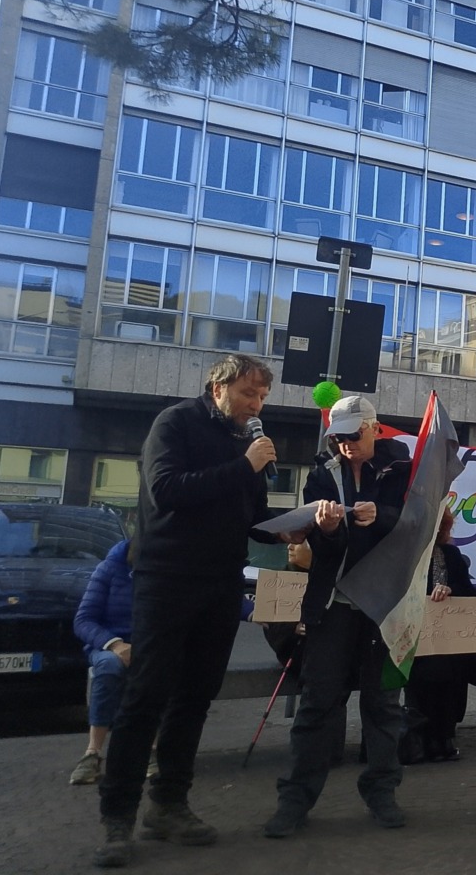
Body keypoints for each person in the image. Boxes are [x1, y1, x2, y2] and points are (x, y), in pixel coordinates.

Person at [95, 354, 287, 868]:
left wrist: (289, 527)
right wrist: (245, 465)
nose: (256, 405)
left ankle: (168, 805)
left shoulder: (247, 443)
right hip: (168, 578)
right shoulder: (175, 423)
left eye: (262, 397)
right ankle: (117, 818)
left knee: (195, 697)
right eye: (248, 394)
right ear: (217, 387)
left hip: (221, 582)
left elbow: (250, 515)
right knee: (146, 695)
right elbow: (167, 491)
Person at [264, 395, 412, 839]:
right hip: (333, 606)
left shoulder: (404, 468)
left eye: (352, 435)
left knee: (383, 705)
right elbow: (320, 548)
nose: (345, 445)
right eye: (337, 438)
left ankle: (382, 792)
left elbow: (420, 525)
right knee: (317, 704)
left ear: (374, 428)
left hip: (386, 606)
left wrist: (382, 516)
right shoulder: (320, 474)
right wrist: (327, 531)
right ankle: (294, 800)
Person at [405, 507, 476, 762]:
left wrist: (450, 590)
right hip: (415, 636)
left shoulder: (450, 554)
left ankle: (445, 734)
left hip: (448, 636)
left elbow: (469, 593)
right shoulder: (405, 556)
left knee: (451, 672)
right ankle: (424, 735)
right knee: (426, 675)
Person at [71, 539, 139, 786]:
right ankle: (93, 752)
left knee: (161, 666)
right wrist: (115, 644)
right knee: (109, 666)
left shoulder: (166, 570)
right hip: (108, 645)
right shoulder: (110, 569)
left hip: (148, 645)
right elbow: (84, 620)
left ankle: (152, 749)